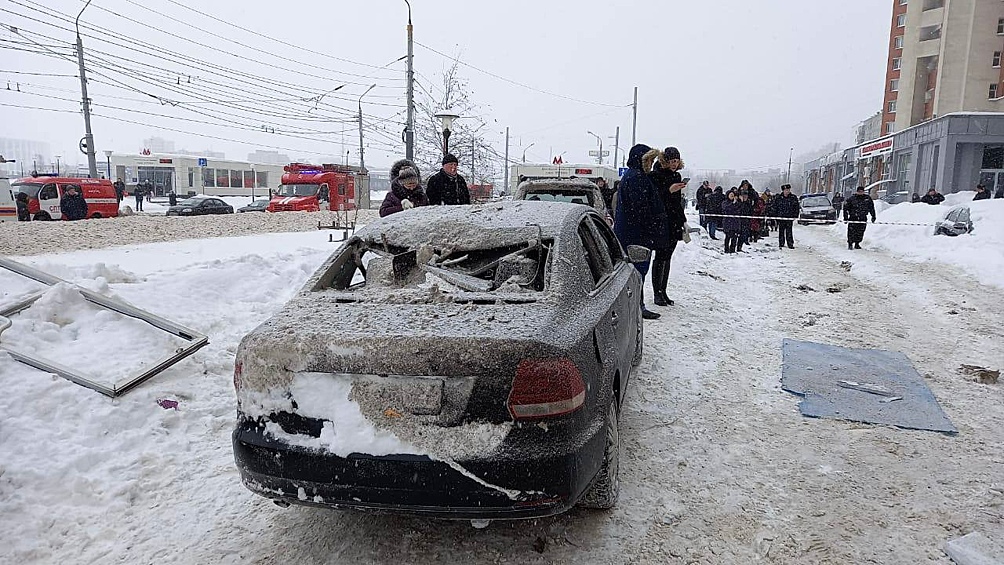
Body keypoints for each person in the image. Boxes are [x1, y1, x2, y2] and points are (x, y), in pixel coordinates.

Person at [613, 144, 668, 320]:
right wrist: (652, 224)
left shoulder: (636, 176)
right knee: (637, 272)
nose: (651, 164)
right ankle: (637, 306)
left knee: (636, 272)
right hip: (636, 235)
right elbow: (641, 209)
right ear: (641, 160)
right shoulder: (636, 178)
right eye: (649, 160)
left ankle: (637, 304)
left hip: (634, 232)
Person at [648, 146, 688, 307]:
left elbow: (677, 203)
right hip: (660, 222)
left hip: (674, 222)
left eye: (677, 161)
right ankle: (656, 292)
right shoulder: (655, 176)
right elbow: (654, 199)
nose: (674, 164)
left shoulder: (677, 176)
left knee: (668, 257)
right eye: (672, 161)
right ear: (665, 161)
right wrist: (668, 190)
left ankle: (663, 291)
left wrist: (683, 220)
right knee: (660, 257)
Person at [773, 184, 800, 249]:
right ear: (783, 191)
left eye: (788, 190)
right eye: (785, 190)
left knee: (789, 231)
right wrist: (776, 216)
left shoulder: (793, 198)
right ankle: (781, 243)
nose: (787, 191)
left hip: (789, 217)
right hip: (781, 217)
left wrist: (795, 215)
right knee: (781, 231)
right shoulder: (779, 198)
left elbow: (796, 207)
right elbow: (775, 207)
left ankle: (790, 243)